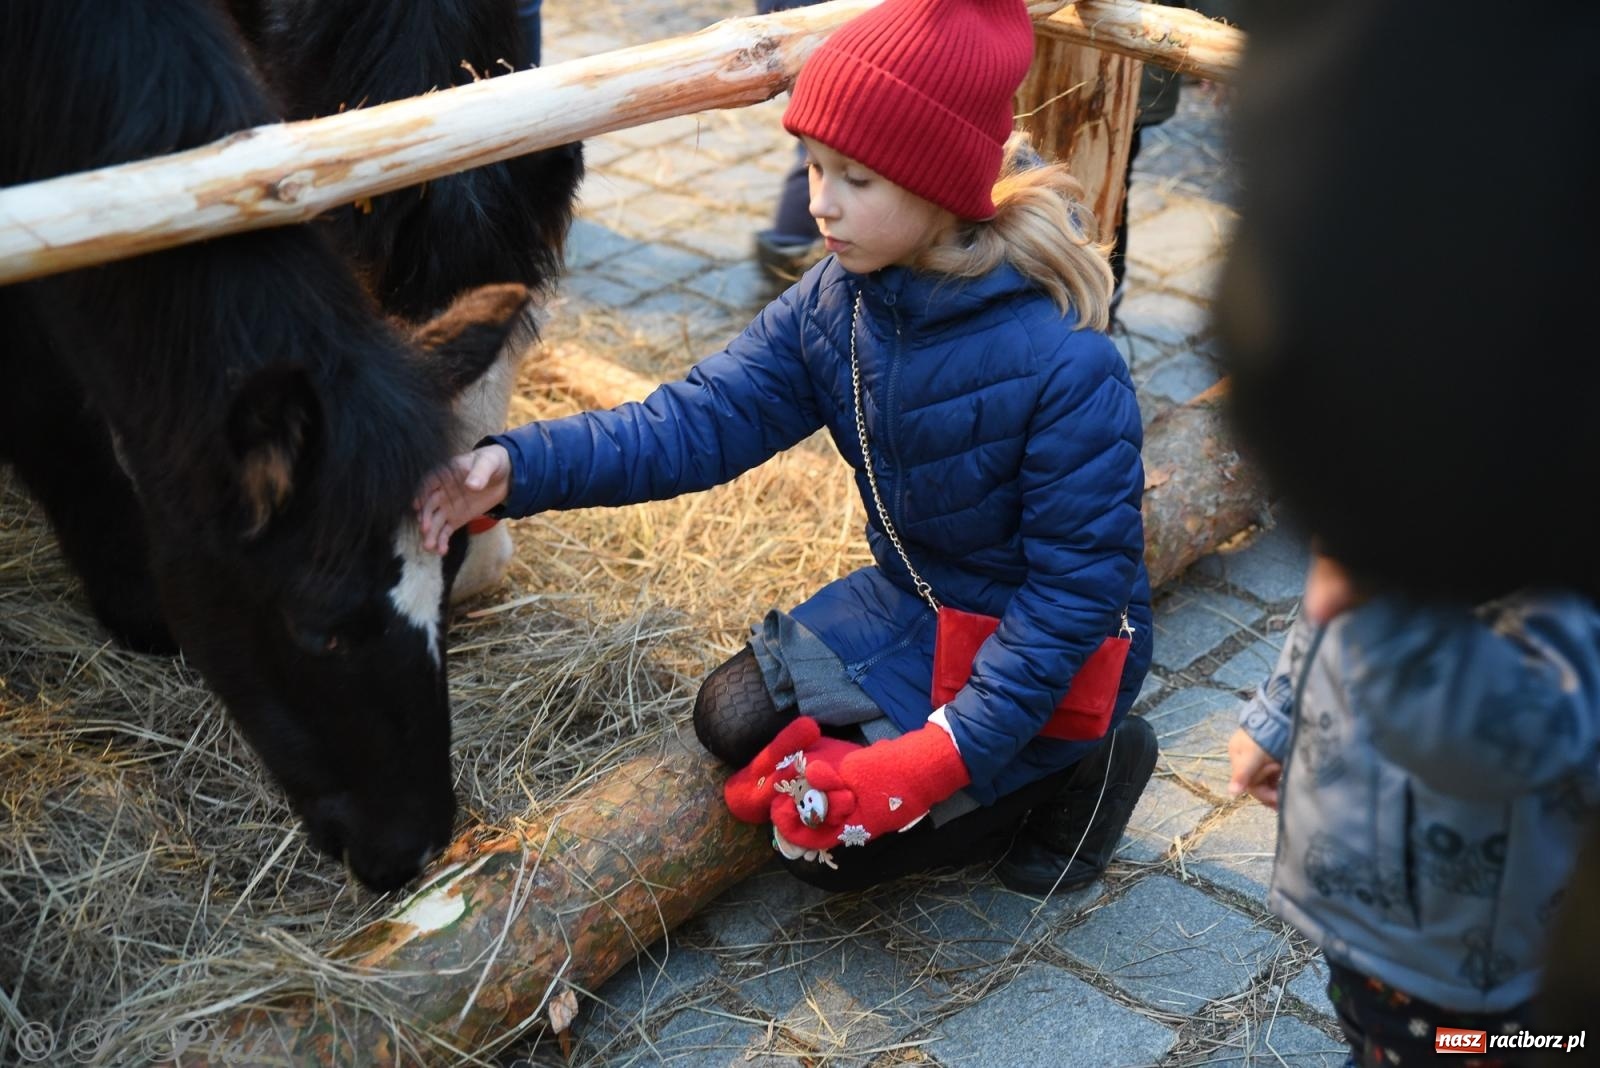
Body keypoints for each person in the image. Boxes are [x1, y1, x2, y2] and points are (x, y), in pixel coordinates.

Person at [415, 0, 1158, 895]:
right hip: (915, 602)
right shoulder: (839, 301)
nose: (820, 202)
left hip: (1049, 656)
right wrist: (515, 466)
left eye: (857, 178)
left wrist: (931, 761)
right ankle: (927, 759)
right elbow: (692, 424)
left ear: (939, 185)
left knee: (834, 855)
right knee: (727, 717)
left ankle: (1094, 766)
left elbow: (1070, 605)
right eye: (813, 165)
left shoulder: (1068, 369)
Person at [1226, 553, 1600, 1066]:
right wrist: (1280, 708)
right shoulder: (1399, 496)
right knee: (1372, 1036)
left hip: (1483, 976)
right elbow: (1329, 597)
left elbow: (1501, 748)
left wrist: (1383, 616)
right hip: (1358, 911)